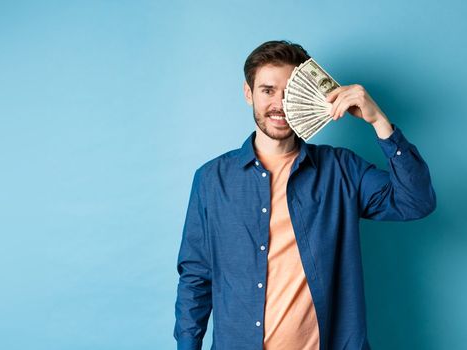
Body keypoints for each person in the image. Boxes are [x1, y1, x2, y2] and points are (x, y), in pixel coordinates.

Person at [173, 40, 436, 350]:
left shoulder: (341, 170)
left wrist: (379, 122)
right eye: (268, 91)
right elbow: (196, 277)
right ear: (249, 93)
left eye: (290, 93)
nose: (279, 104)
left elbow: (416, 201)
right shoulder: (211, 180)